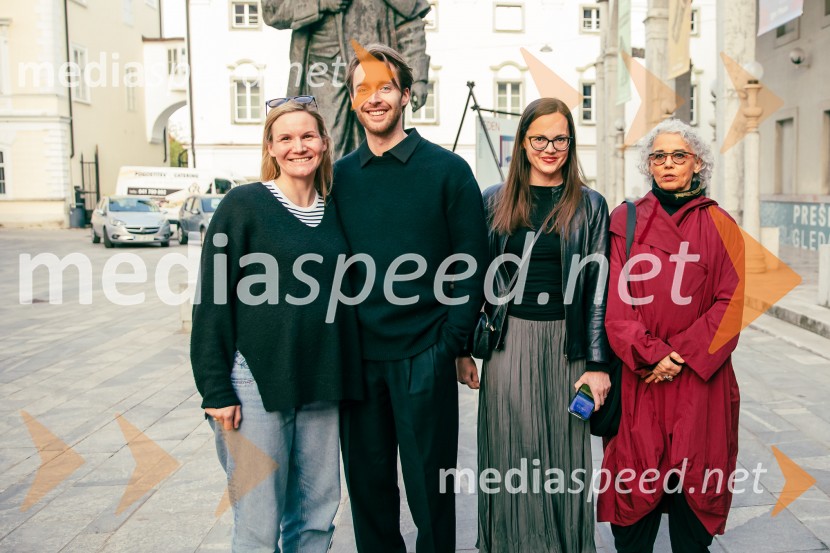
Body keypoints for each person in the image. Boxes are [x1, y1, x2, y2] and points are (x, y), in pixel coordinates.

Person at [333, 44, 489, 553]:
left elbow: (471, 262)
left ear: (405, 95)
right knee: (370, 495)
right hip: (359, 360)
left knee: (431, 494)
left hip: (426, 353)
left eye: (384, 87)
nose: (374, 99)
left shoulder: (447, 171)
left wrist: (451, 343)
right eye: (362, 89)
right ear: (352, 101)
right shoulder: (338, 178)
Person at [190, 97, 363, 552]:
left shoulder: (336, 211)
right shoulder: (243, 205)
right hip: (254, 385)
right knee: (258, 523)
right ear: (270, 147)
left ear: (325, 144)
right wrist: (215, 390)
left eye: (308, 136)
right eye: (285, 138)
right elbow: (211, 300)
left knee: (316, 518)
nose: (298, 146)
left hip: (322, 384)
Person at [456, 97, 612, 552]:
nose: (550, 147)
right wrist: (464, 349)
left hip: (571, 347)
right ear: (523, 143)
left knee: (566, 456)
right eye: (539, 138)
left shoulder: (591, 205)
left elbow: (599, 288)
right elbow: (473, 280)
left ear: (571, 142)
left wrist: (598, 363)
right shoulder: (493, 201)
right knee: (510, 453)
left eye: (559, 138)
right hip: (510, 343)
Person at [597, 119, 744, 553]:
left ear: (697, 163)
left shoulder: (721, 224)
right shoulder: (625, 220)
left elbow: (730, 303)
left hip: (701, 382)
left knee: (696, 490)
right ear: (648, 164)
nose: (668, 164)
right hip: (641, 379)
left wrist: (677, 355)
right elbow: (616, 303)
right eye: (658, 156)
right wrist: (650, 355)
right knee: (633, 489)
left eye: (678, 155)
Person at [263, 0, 431, 159]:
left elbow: (409, 20)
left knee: (383, 146)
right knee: (325, 145)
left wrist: (417, 76)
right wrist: (321, 3)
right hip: (321, 69)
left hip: (377, 68)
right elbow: (272, 10)